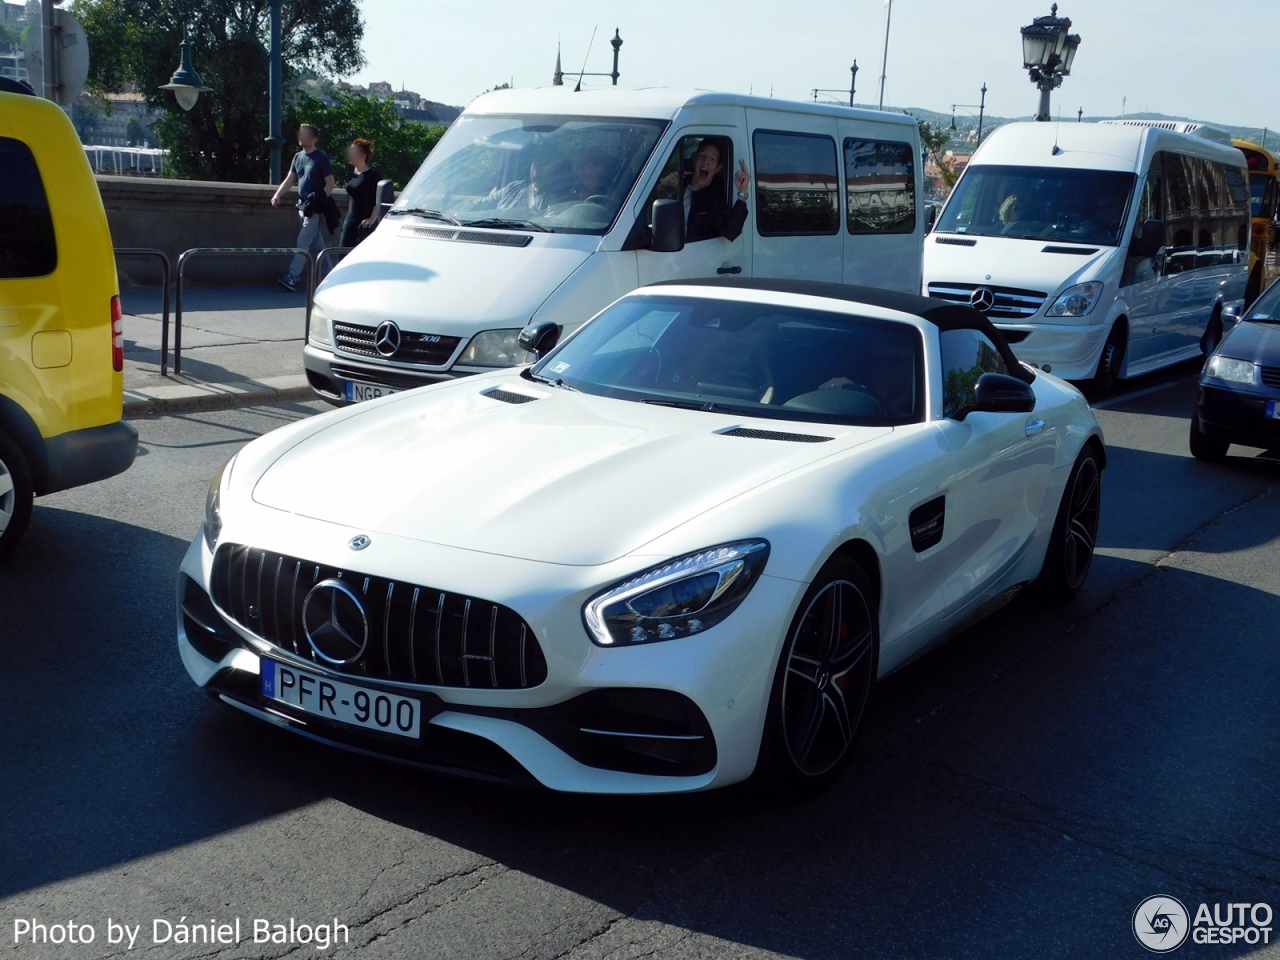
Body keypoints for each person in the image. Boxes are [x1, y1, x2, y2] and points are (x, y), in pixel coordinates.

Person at [271, 123, 335, 292]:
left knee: (303, 241)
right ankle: (332, 275)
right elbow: (290, 179)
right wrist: (278, 194)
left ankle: (292, 277)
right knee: (317, 244)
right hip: (302, 207)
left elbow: (330, 183)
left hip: (314, 209)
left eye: (306, 134)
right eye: (301, 134)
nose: (302, 137)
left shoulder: (321, 157)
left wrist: (320, 201)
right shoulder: (298, 157)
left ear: (314, 139)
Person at [684, 139, 750, 242]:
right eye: (702, 156)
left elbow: (730, 232)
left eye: (712, 159)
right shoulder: (678, 185)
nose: (706, 162)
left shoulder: (714, 200)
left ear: (718, 168)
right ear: (694, 160)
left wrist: (742, 192)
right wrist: (663, 185)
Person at [340, 138, 382, 248]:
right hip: (350, 221)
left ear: (363, 156)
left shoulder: (372, 176)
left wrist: (372, 219)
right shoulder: (352, 174)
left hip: (364, 223)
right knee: (342, 253)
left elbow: (378, 200)